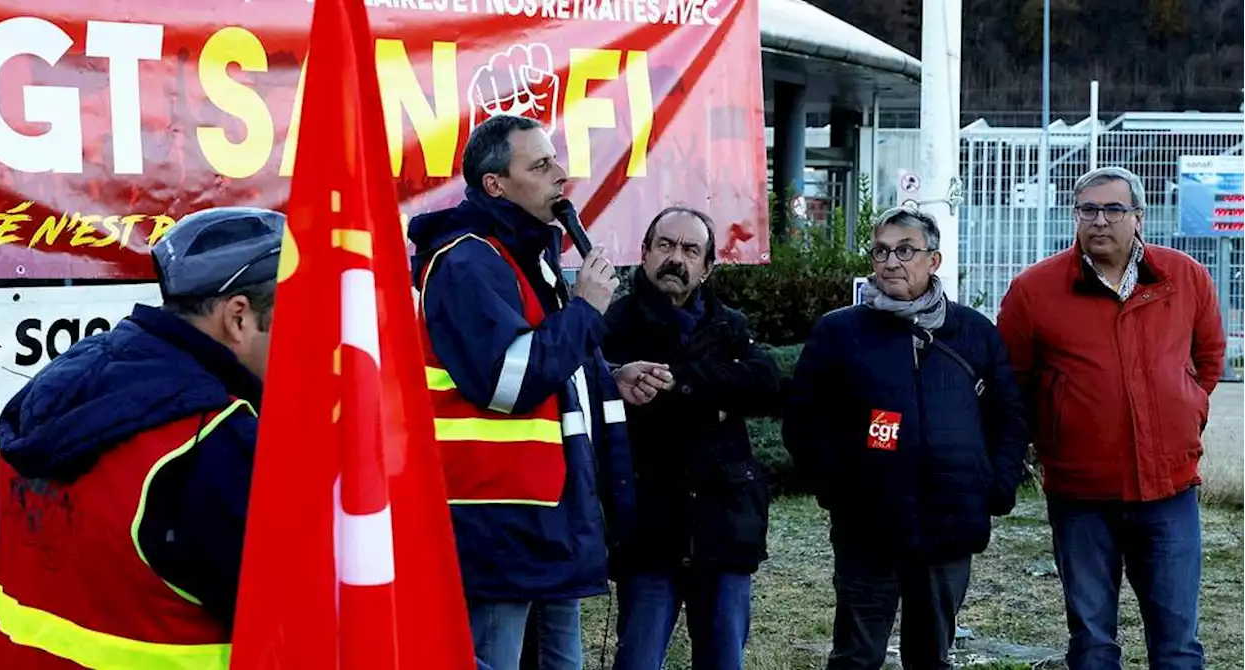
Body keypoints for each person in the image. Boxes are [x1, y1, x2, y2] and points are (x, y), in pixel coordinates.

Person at [0, 207, 282, 667]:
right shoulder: (212, 445)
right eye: (295, 320)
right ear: (238, 316)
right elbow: (292, 628)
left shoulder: (44, 391)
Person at [407, 114, 636, 670]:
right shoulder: (466, 261)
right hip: (496, 515)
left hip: (546, 512)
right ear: (495, 185)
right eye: (539, 165)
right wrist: (585, 310)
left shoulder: (525, 255)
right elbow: (508, 381)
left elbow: (552, 364)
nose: (561, 173)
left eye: (554, 159)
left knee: (563, 661)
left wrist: (610, 375)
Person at [997, 166, 1225, 670]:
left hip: (1169, 491)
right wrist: (1054, 431)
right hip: (1081, 495)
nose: (1100, 220)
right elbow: (1012, 381)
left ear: (1138, 218)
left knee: (1178, 645)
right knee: (1093, 643)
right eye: (1088, 210)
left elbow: (1208, 360)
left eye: (1113, 209)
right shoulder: (1034, 290)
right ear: (1075, 216)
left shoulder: (1184, 277)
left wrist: (1186, 405)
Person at [784, 206, 1030, 670]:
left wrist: (995, 486)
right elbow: (803, 420)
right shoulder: (841, 332)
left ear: (933, 261)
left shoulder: (973, 332)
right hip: (868, 526)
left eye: (905, 250)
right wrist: (838, 490)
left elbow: (1010, 417)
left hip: (951, 521)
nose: (891, 262)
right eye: (881, 251)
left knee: (931, 657)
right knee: (857, 656)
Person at [600, 206, 780, 670]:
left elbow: (765, 383)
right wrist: (716, 396)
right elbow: (597, 390)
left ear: (707, 266)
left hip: (724, 526)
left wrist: (680, 384)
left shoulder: (729, 324)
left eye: (689, 250)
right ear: (643, 254)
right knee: (637, 660)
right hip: (649, 531)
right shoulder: (613, 325)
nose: (675, 258)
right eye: (665, 245)